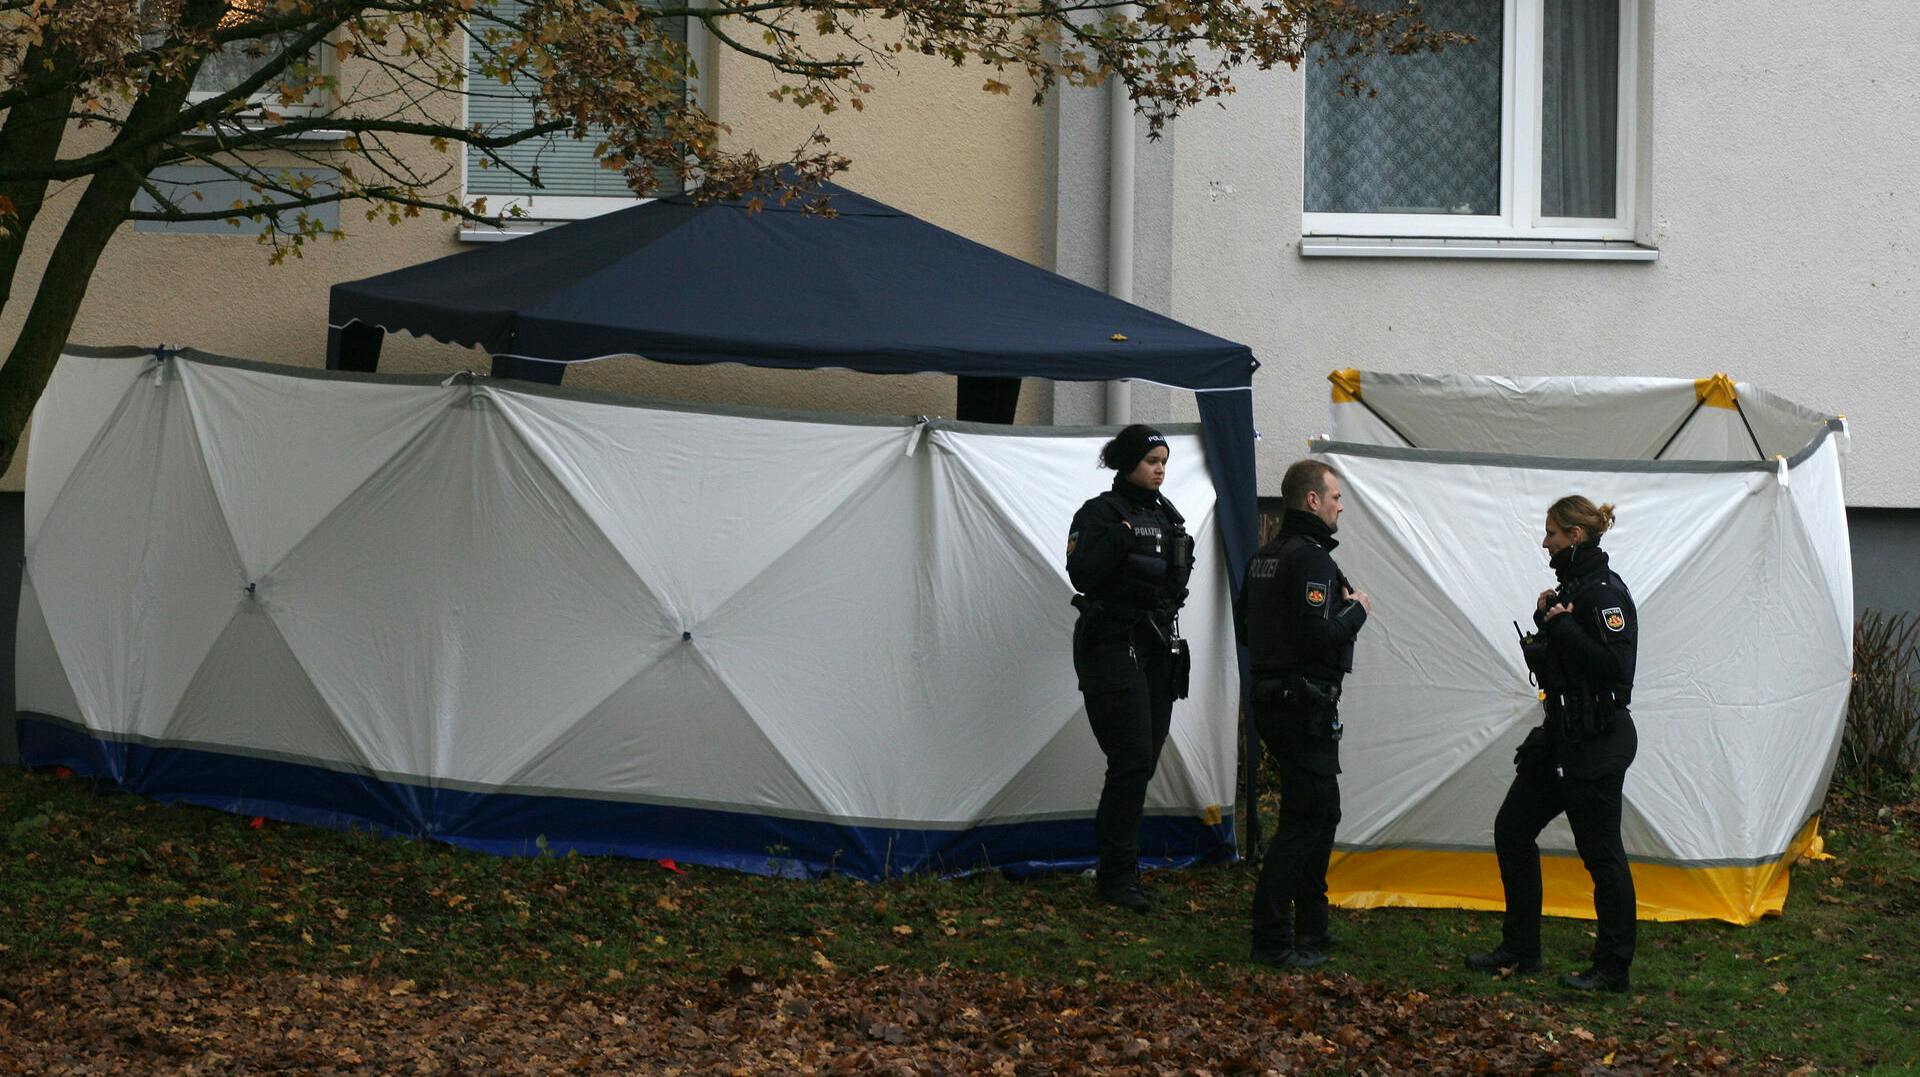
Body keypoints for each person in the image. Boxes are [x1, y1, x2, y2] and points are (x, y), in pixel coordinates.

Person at [1467, 495, 1639, 993]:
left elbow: (1616, 671)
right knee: (1512, 828)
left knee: (1602, 855)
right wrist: (1545, 631)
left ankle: (1612, 969)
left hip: (1597, 742)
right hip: (1560, 739)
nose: (1545, 542)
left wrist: (1562, 626)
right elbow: (1559, 672)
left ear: (1575, 536)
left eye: (1552, 533)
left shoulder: (1605, 594)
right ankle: (1521, 949)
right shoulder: (1574, 589)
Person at [1239, 459, 1370, 968]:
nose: (1340, 505)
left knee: (1323, 810)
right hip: (1302, 704)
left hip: (1276, 699)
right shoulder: (1312, 560)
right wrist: (1357, 607)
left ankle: (1313, 926)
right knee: (1303, 818)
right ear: (1312, 500)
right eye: (1335, 496)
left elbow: (1248, 628)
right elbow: (1320, 634)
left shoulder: (1264, 556)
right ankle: (1272, 939)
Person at [1066, 424, 1195, 913]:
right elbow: (1082, 572)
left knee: (1142, 761)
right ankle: (1116, 877)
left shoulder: (1168, 516)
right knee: (1132, 757)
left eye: (1164, 461)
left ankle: (1123, 872)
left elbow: (1174, 578)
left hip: (1156, 644)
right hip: (1111, 644)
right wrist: (1121, 540)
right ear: (1127, 464)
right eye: (1150, 461)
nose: (1160, 469)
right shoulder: (1100, 513)